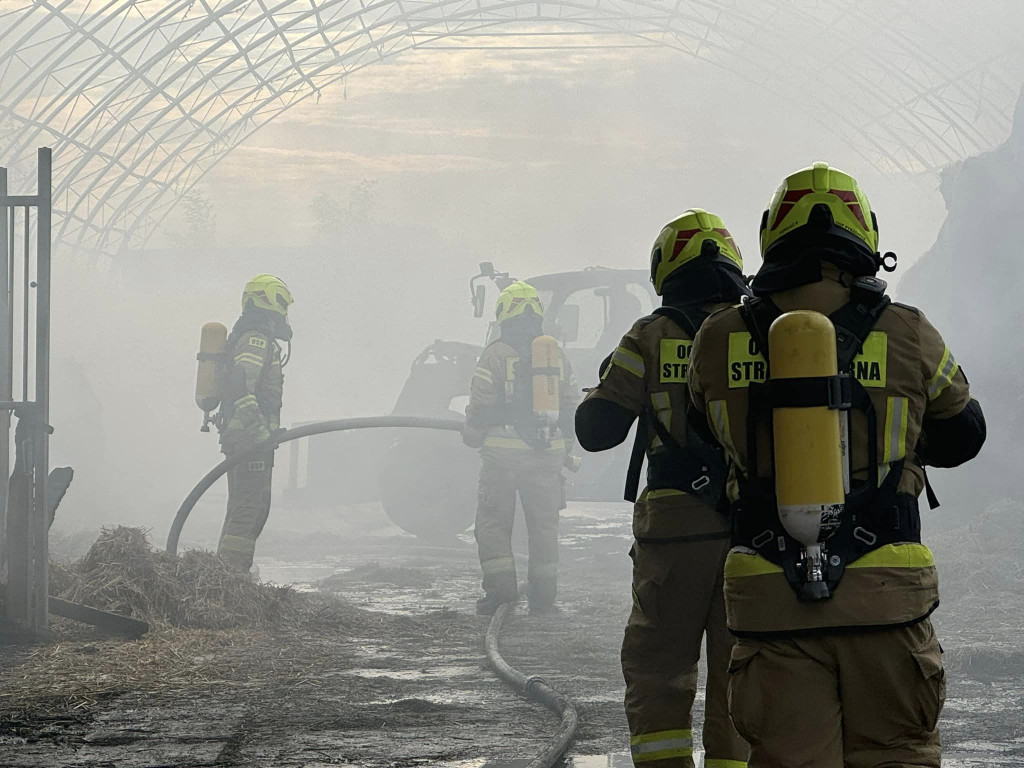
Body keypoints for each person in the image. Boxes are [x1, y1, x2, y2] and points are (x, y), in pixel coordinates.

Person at [687, 163, 986, 767]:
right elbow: (965, 436)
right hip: (887, 598)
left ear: (774, 235)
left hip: (771, 602)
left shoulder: (717, 338)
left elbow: (703, 430)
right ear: (865, 237)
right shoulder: (908, 331)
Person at [575, 209, 751, 768]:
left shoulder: (650, 336)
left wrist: (607, 381)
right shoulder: (764, 332)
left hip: (674, 532)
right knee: (741, 673)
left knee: (659, 669)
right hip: (754, 531)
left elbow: (597, 431)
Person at [463, 281, 579, 616]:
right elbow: (571, 405)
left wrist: (471, 433)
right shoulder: (554, 354)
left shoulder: (495, 354)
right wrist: (563, 447)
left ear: (503, 314)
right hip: (547, 455)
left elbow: (480, 408)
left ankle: (501, 594)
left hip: (502, 458)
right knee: (544, 526)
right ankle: (544, 596)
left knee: (493, 524)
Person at [216, 274, 294, 572]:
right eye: (283, 304)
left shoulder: (250, 334)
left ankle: (224, 573)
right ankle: (230, 578)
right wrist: (261, 432)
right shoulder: (256, 338)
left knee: (245, 506)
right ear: (271, 301)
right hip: (249, 438)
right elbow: (240, 385)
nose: (285, 313)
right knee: (249, 508)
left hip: (247, 437)